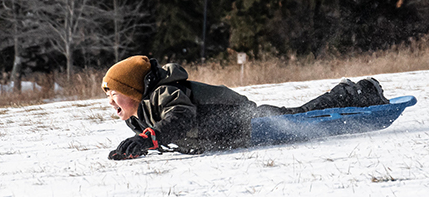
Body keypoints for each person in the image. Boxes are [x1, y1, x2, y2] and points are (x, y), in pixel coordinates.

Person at [102, 55, 389, 160]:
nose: (110, 102)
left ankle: (357, 91)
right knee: (298, 114)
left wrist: (148, 138)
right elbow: (159, 134)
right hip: (232, 134)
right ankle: (353, 92)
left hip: (246, 120)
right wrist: (135, 149)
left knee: (302, 114)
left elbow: (181, 117)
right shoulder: (139, 119)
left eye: (113, 93)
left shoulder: (164, 93)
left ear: (133, 90)